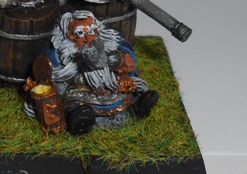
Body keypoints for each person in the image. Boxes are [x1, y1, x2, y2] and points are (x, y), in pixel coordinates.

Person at [25, 10, 159, 135]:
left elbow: (126, 52)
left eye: (91, 32)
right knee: (75, 106)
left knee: (127, 93)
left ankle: (136, 109)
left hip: (113, 87)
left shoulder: (111, 42)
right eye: (79, 33)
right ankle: (81, 122)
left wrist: (120, 59)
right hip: (81, 92)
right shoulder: (62, 53)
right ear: (69, 35)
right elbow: (49, 72)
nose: (87, 38)